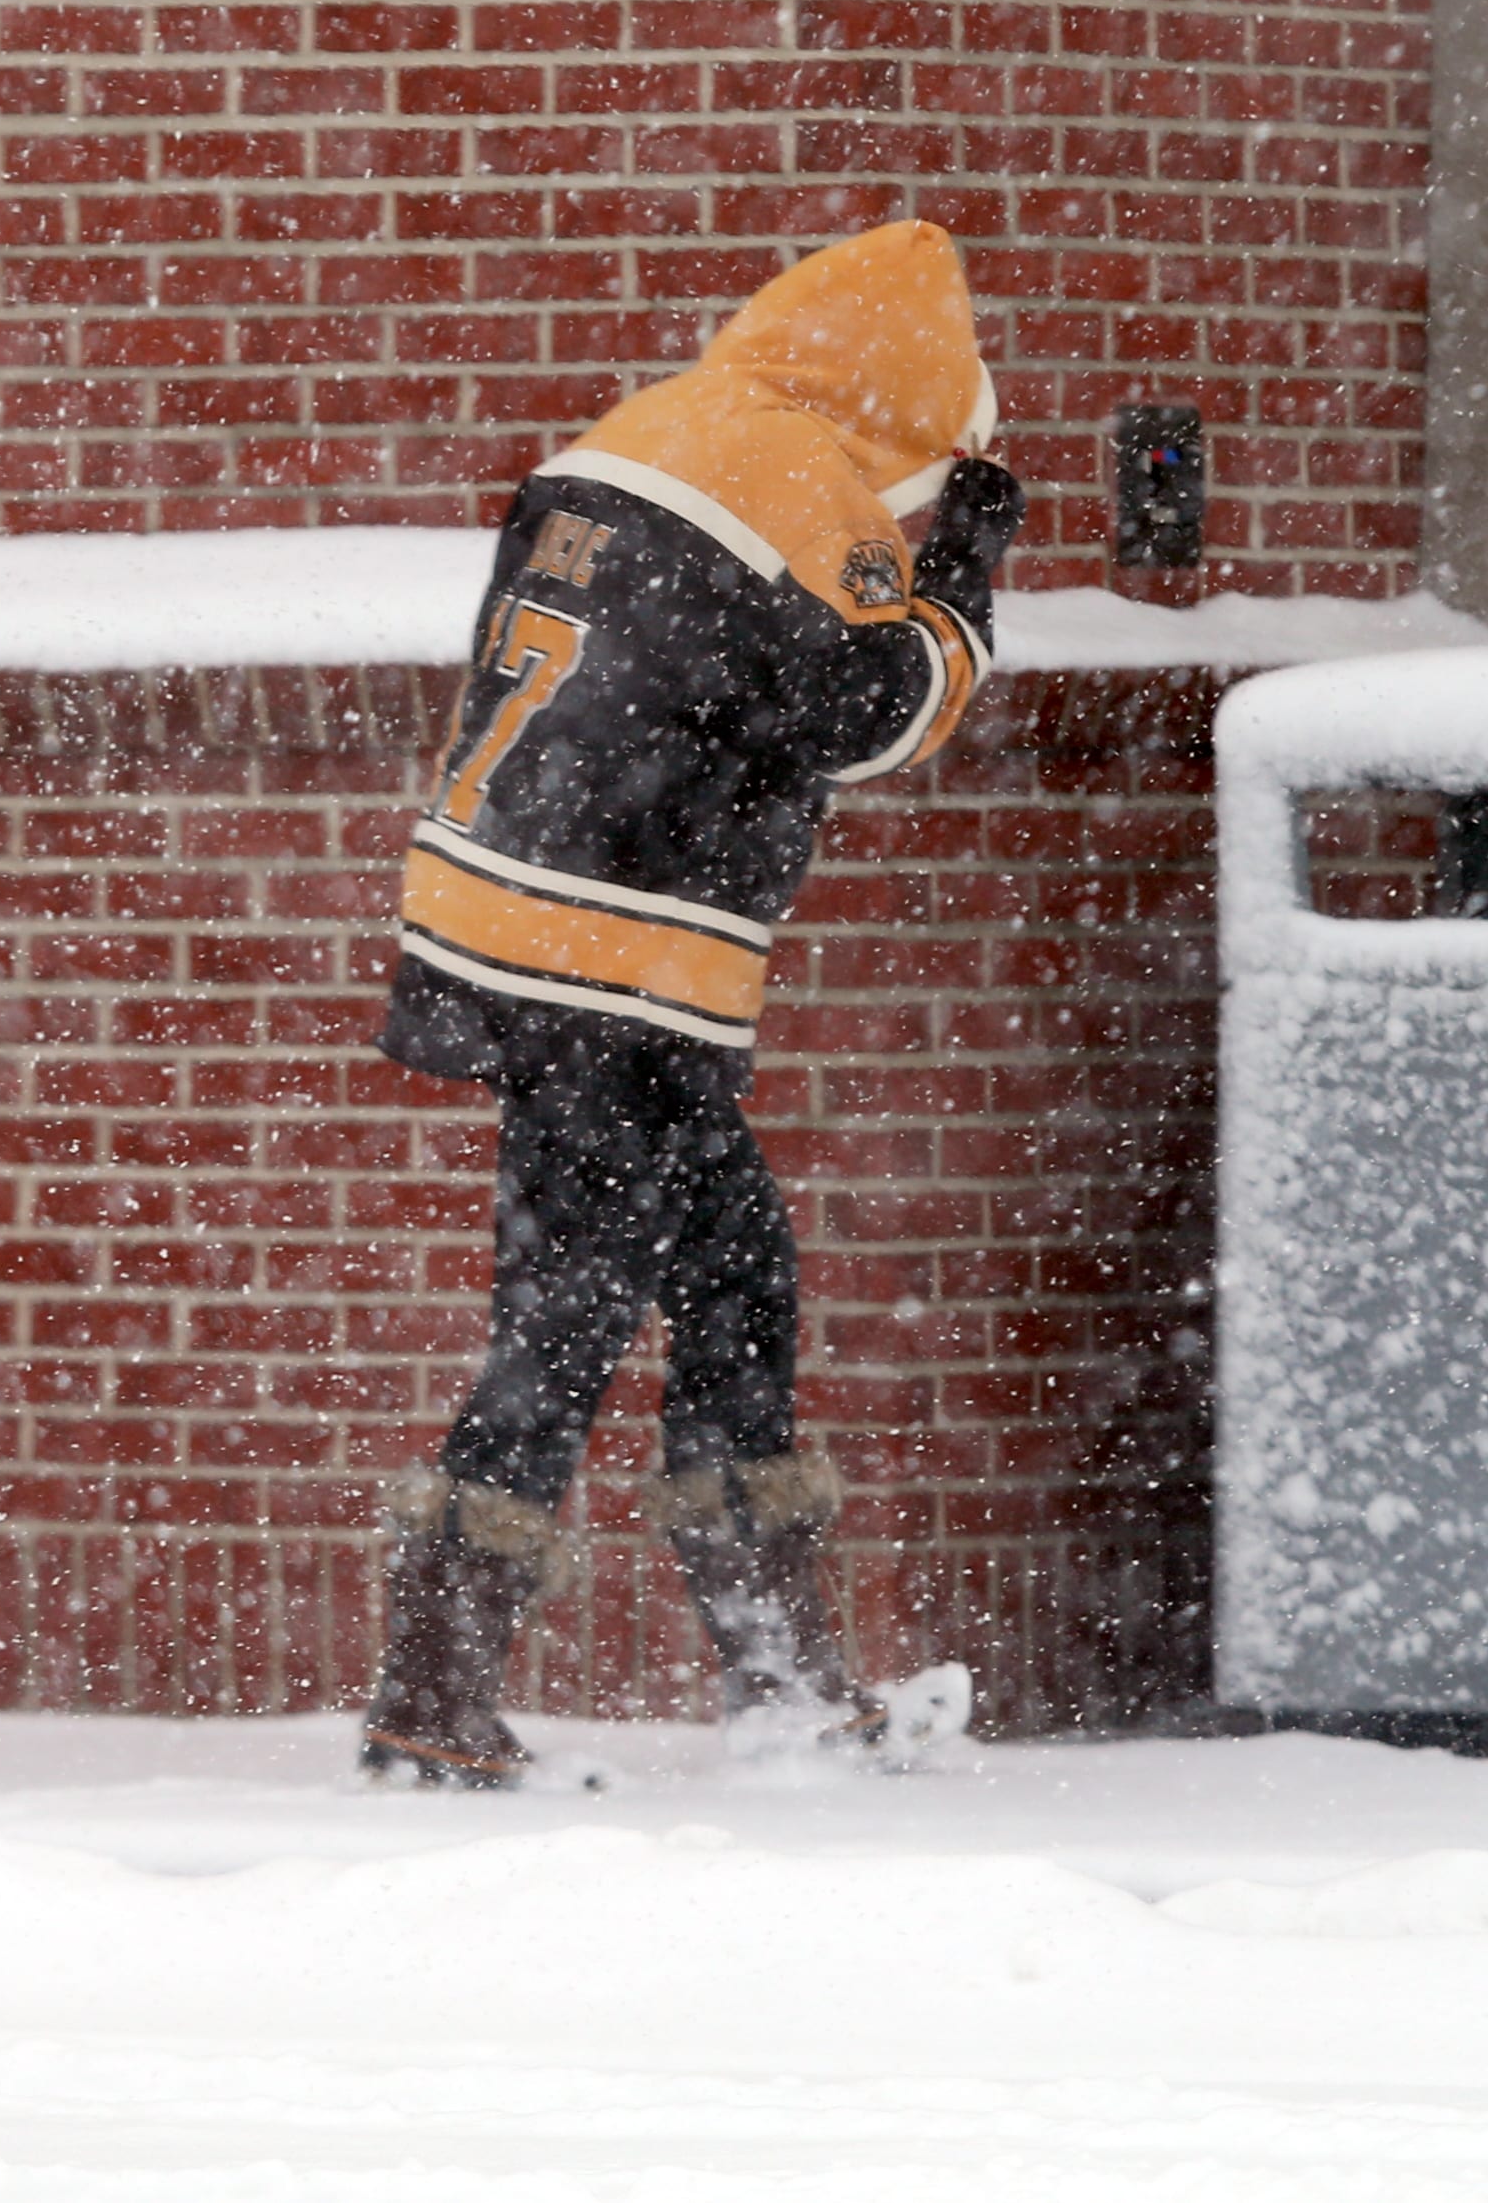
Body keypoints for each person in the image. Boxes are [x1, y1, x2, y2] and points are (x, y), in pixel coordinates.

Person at [356, 220, 1018, 1788]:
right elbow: (871, 713)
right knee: (576, 1317)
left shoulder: (643, 435)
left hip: (509, 918)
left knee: (732, 1282)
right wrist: (967, 571)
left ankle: (776, 1686)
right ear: (903, 404)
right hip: (614, 959)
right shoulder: (800, 479)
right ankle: (430, 1700)